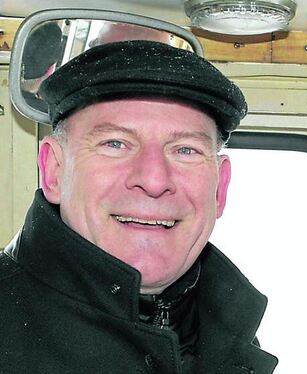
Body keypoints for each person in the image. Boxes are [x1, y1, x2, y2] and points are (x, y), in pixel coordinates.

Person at [1, 40, 277, 373]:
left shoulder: (229, 336)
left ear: (220, 188)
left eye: (185, 150)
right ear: (54, 171)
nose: (154, 179)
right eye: (115, 144)